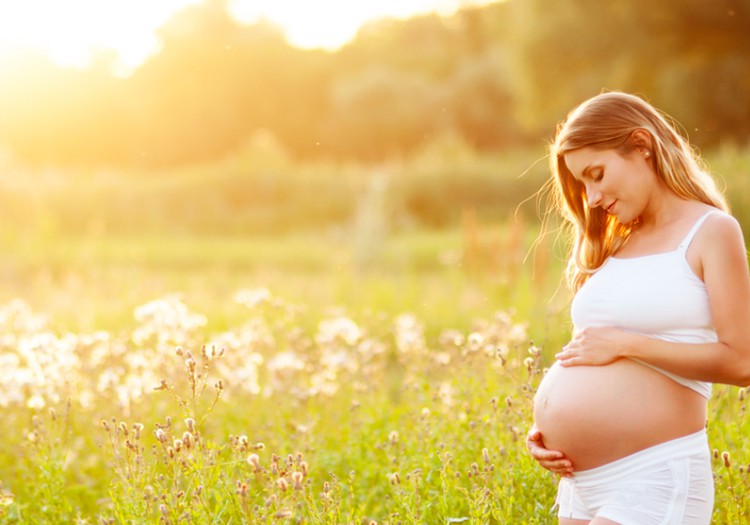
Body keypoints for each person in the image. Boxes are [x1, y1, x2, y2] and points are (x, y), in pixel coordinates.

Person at [526, 91, 750, 525]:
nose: (590, 197)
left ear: (642, 145)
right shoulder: (616, 244)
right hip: (580, 487)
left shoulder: (711, 231)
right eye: (581, 184)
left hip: (653, 478)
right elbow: (592, 351)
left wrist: (627, 344)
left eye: (596, 174)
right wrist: (546, 434)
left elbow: (743, 361)